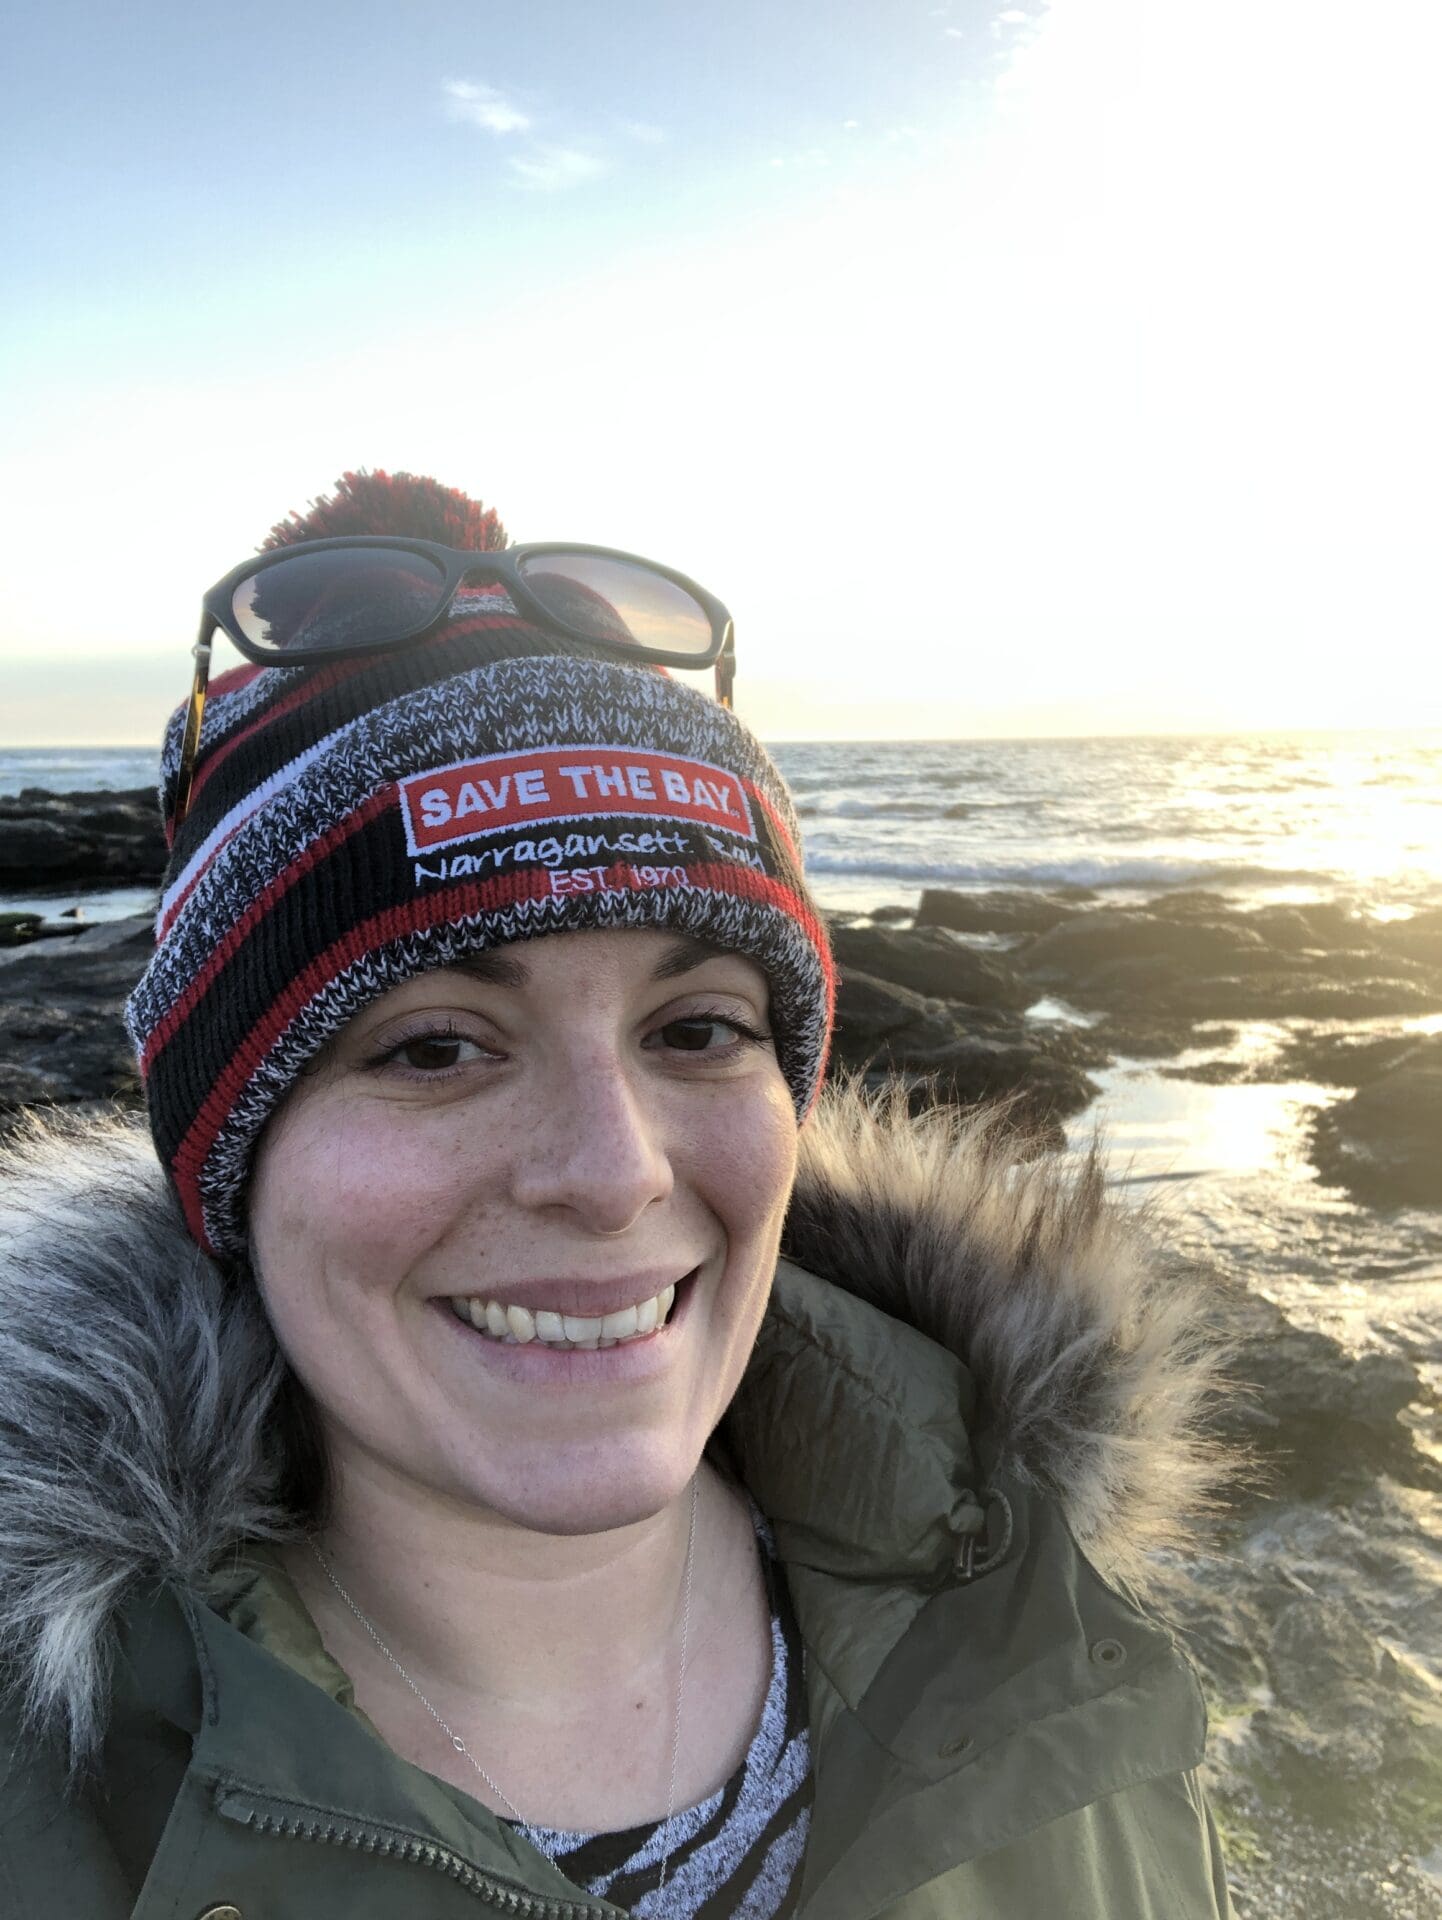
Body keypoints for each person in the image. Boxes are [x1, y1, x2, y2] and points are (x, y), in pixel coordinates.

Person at [0, 471, 1235, 1919]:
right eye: (436, 1046)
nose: (611, 1171)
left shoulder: (1025, 1599)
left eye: (695, 1029)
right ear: (226, 1157)